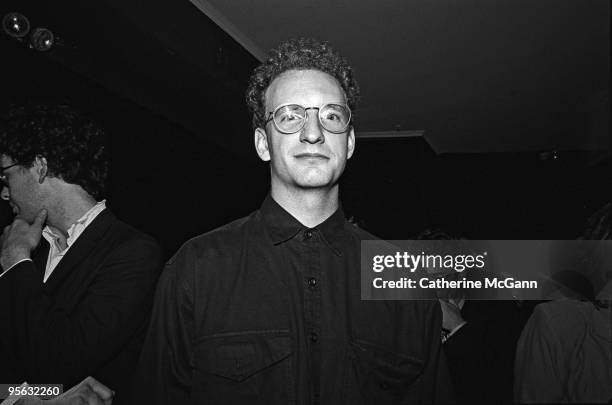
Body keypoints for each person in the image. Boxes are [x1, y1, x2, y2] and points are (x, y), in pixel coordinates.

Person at [131, 38, 452, 404]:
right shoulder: (196, 268)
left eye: (331, 116)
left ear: (348, 143)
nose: (313, 132)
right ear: (263, 144)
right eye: (289, 116)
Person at [0, 103, 163, 405]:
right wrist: (21, 399)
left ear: (39, 166)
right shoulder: (24, 244)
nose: (4, 192)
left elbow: (58, 362)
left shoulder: (132, 252)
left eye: (5, 175)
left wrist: (17, 260)